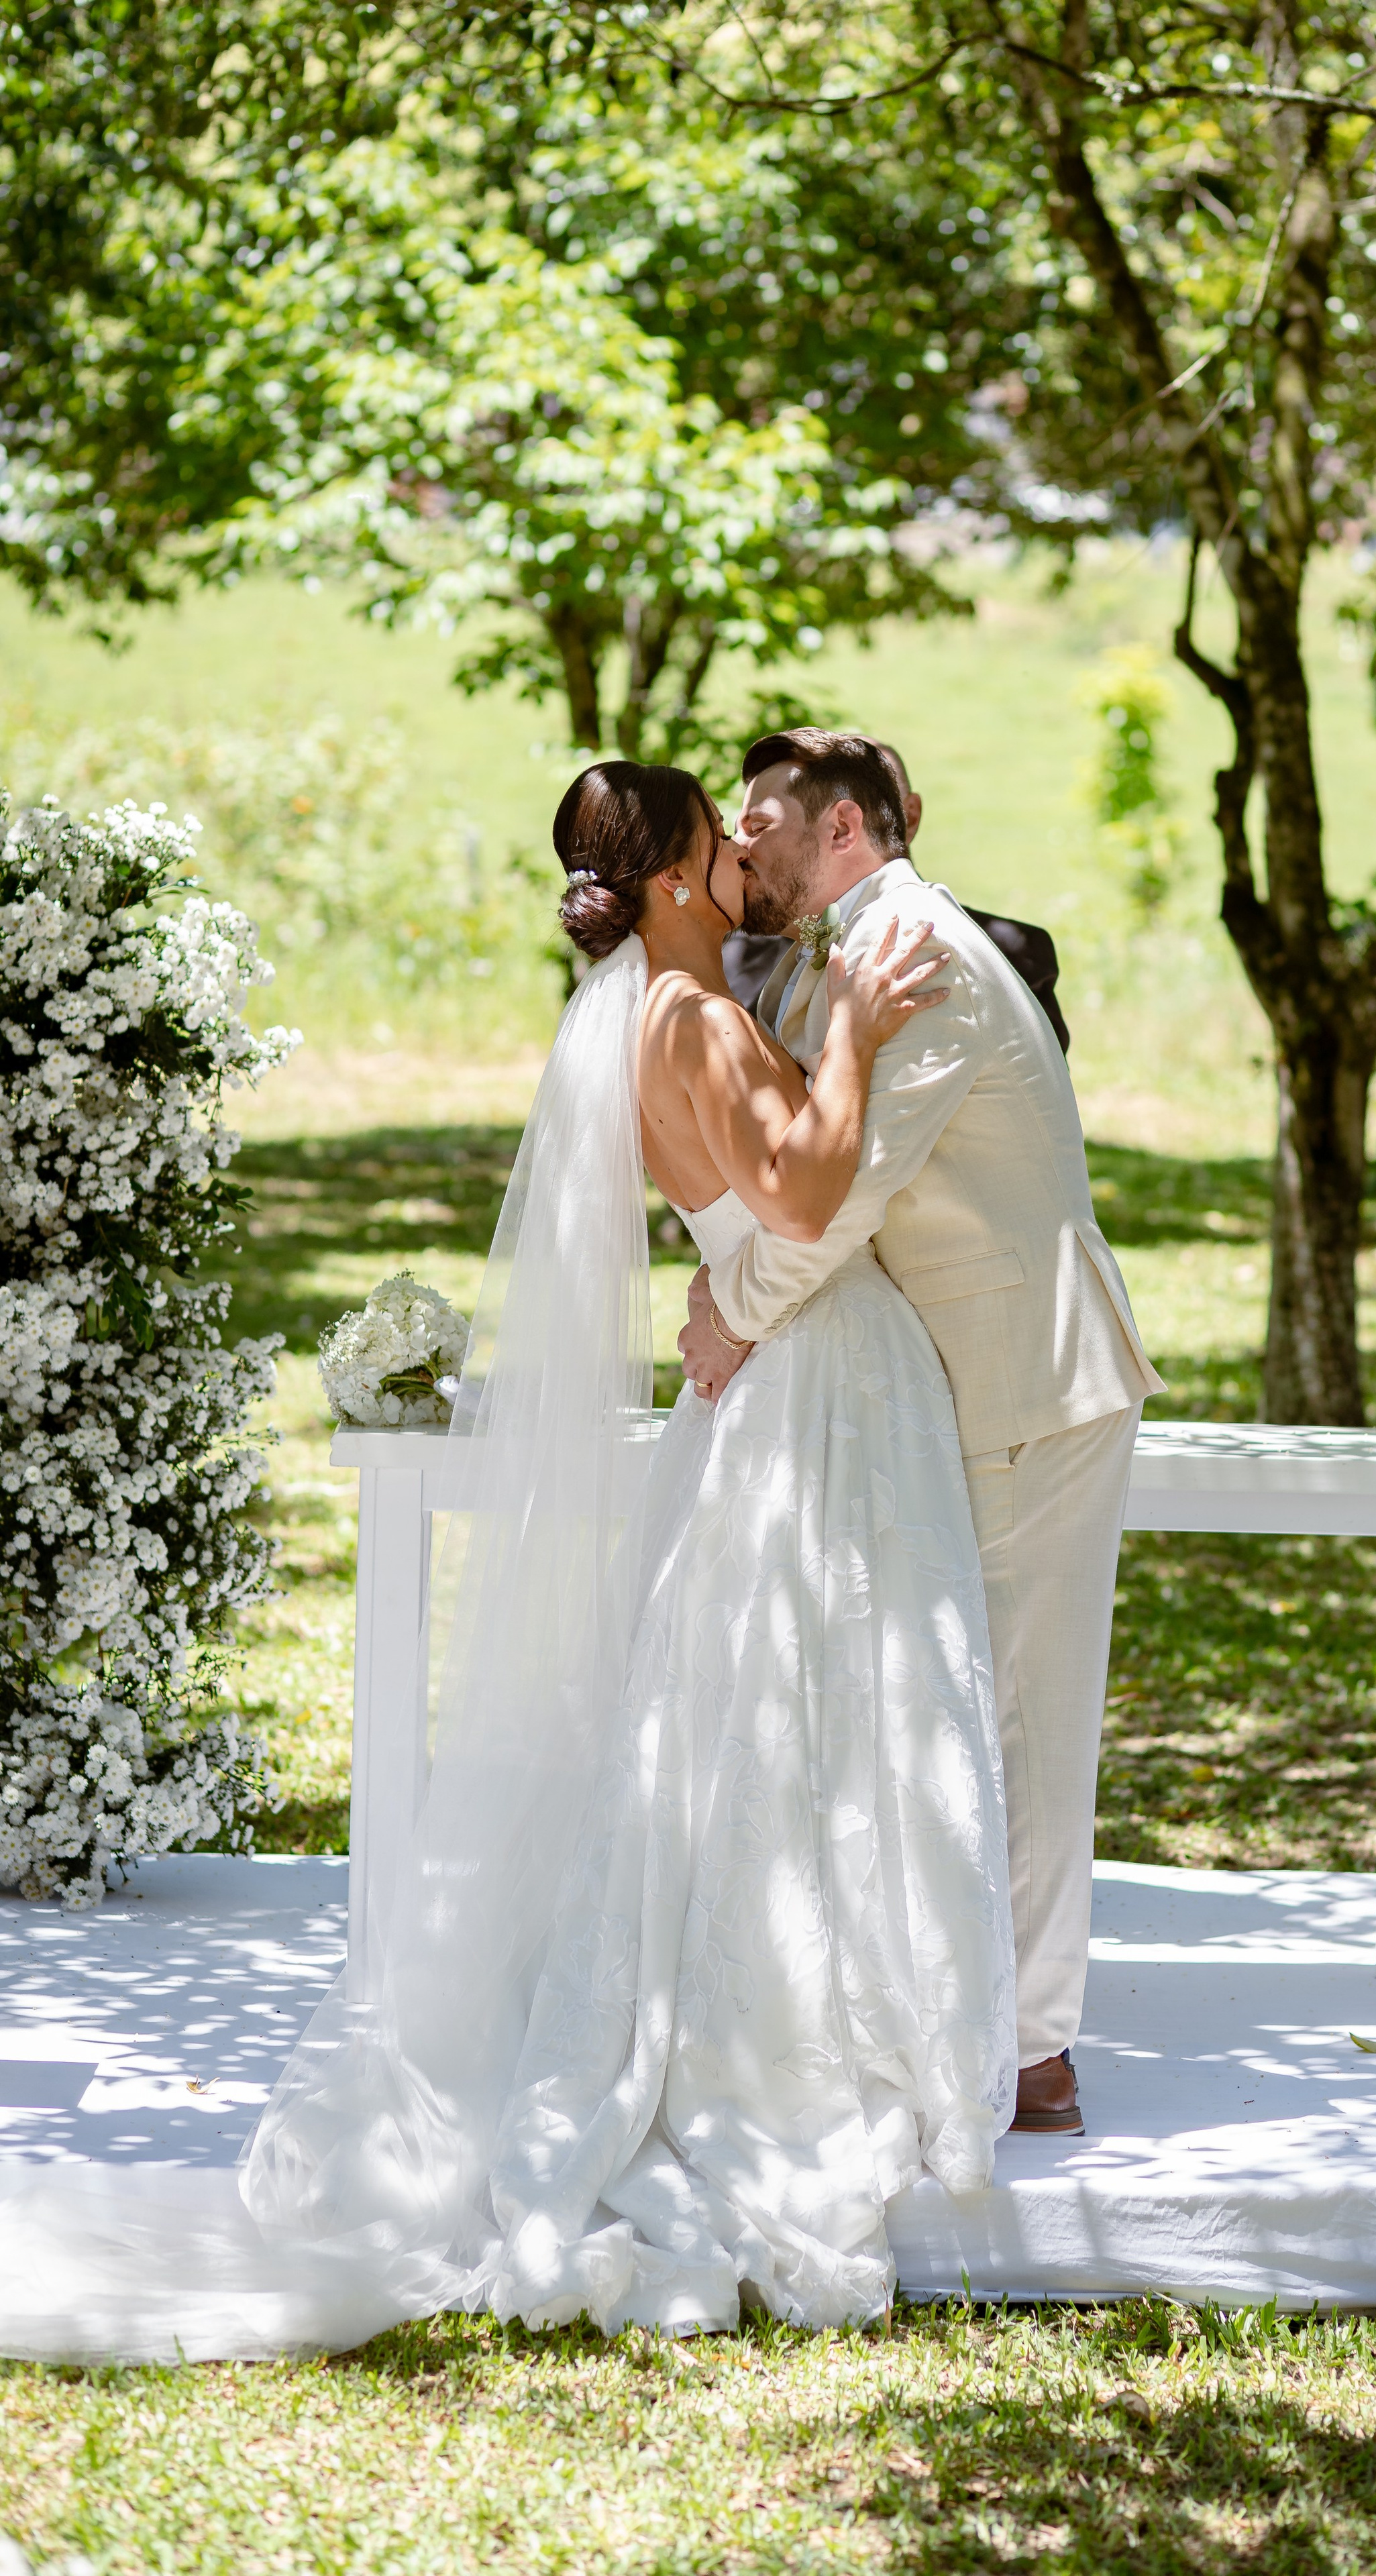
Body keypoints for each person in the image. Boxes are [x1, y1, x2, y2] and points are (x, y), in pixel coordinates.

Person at [0, 761, 1016, 2362]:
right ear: (679, 874)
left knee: (769, 1708)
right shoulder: (680, 1019)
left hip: (790, 1374)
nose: (749, 859)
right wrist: (864, 1031)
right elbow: (809, 1183)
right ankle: (794, 2038)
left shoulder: (651, 1006)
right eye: (720, 841)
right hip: (809, 1381)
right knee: (799, 1710)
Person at [680, 731, 1163, 2137]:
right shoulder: (860, 946)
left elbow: (842, 1199)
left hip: (1032, 1381)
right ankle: (953, 2006)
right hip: (962, 1380)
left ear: (841, 832)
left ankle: (1030, 2054)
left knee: (1019, 1711)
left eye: (763, 819)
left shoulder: (916, 957)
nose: (744, 843)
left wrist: (731, 1313)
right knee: (955, 1703)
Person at [722, 741, 1071, 1053]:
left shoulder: (913, 949)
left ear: (842, 829)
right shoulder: (829, 940)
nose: (735, 848)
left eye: (758, 828)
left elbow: (864, 1128)